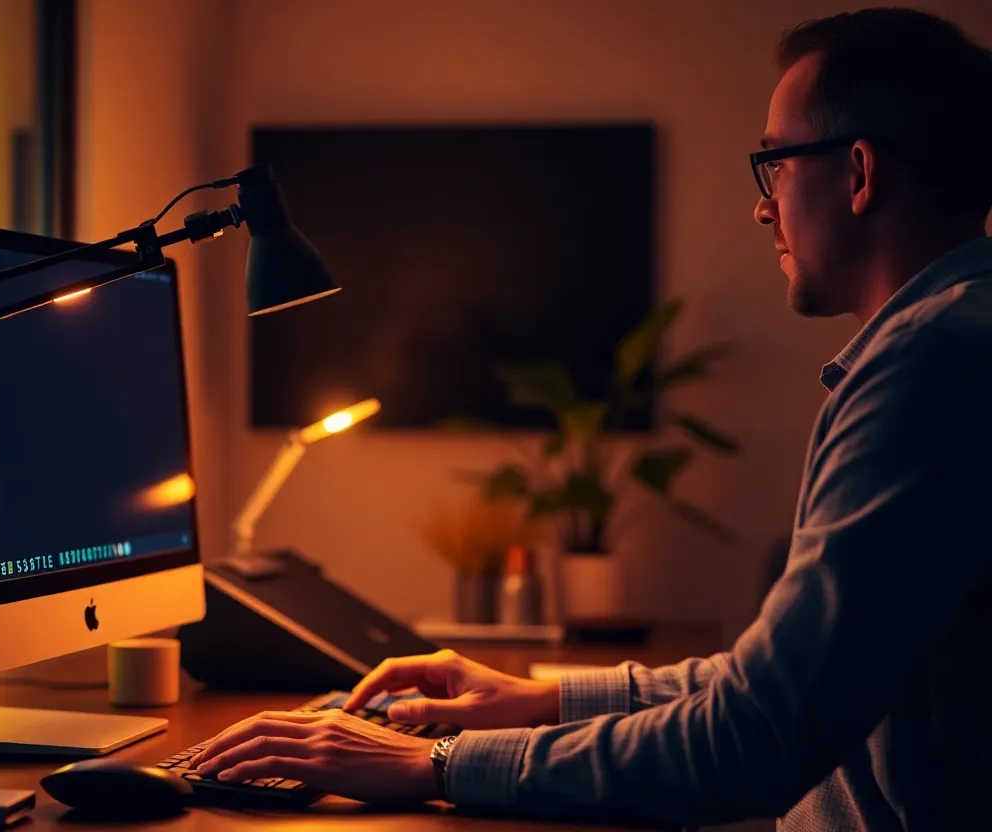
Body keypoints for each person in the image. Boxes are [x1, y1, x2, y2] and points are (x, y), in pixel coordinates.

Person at [193, 8, 992, 829]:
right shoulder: (953, 342)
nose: (764, 208)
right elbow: (782, 686)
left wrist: (436, 762)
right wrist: (542, 698)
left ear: (859, 174)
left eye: (775, 164)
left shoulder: (930, 368)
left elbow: (752, 739)